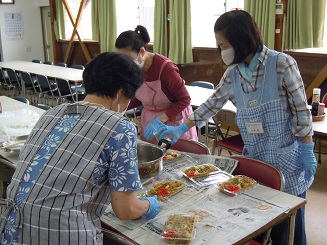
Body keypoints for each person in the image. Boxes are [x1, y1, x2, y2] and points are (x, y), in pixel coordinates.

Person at [155, 10, 316, 245]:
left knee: (289, 228)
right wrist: (181, 127)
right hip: (257, 161)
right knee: (261, 224)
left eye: (223, 45)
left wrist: (307, 149)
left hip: (287, 162)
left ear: (241, 40)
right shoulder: (234, 74)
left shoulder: (281, 64)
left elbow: (302, 111)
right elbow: (211, 104)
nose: (221, 52)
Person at [0, 52, 162, 245]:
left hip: (11, 230)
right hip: (57, 234)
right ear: (120, 92)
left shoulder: (52, 113)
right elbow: (126, 210)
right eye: (129, 97)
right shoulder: (119, 127)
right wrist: (149, 205)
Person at [115, 25, 197, 144]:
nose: (125, 63)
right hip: (150, 120)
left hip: (173, 120)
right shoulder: (133, 69)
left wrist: (161, 119)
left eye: (128, 58)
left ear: (142, 52)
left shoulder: (165, 68)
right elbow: (141, 98)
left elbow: (185, 99)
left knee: (176, 155)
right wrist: (119, 108)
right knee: (152, 157)